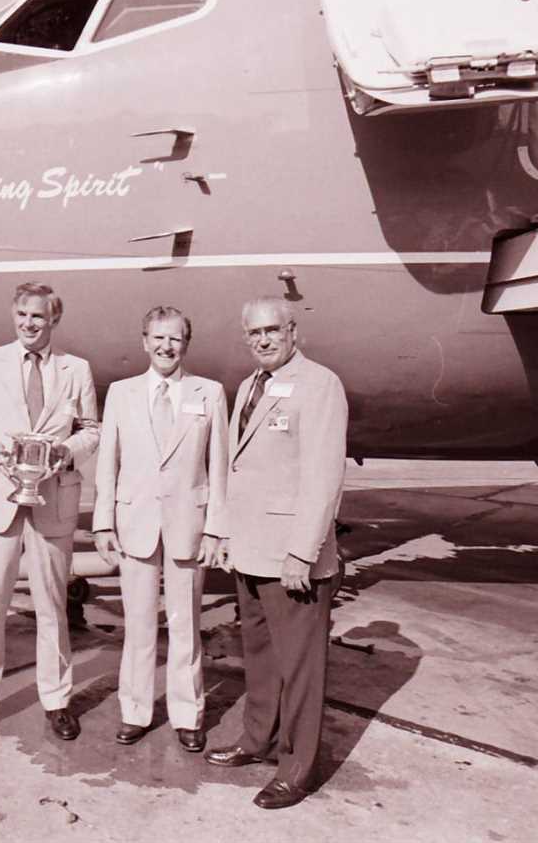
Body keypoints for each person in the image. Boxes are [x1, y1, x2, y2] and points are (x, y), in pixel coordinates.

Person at [205, 297, 348, 810]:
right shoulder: (248, 386)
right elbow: (236, 469)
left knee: (300, 668)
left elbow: (324, 475)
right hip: (248, 550)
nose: (263, 340)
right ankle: (255, 739)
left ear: (293, 331)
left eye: (272, 330)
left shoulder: (320, 384)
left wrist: (302, 553)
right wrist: (222, 535)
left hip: (291, 557)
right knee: (260, 658)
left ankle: (296, 770)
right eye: (254, 333)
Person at [0, 282, 100, 743]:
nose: (28, 324)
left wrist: (66, 452)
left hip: (51, 501)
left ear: (53, 319)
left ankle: (56, 700)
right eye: (21, 315)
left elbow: (92, 429)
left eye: (38, 317)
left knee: (53, 608)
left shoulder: (77, 369)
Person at [93, 306, 228, 753]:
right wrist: (103, 521)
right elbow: (107, 463)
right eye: (158, 338)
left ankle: (188, 714)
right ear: (144, 341)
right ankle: (135, 710)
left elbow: (219, 467)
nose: (166, 346)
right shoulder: (120, 393)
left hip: (188, 522)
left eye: (175, 339)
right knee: (137, 623)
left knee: (186, 623)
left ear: (185, 344)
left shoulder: (209, 393)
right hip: (136, 522)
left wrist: (216, 529)